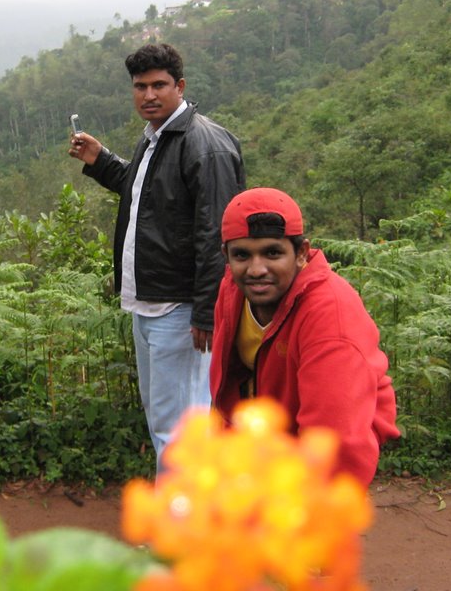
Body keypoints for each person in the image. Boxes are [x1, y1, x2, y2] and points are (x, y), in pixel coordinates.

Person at [68, 43, 245, 469]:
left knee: (180, 428)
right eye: (140, 86)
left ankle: (182, 529)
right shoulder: (156, 139)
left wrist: (206, 311)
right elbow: (148, 191)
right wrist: (101, 161)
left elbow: (216, 234)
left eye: (159, 85)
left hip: (180, 309)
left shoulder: (205, 145)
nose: (148, 94)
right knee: (167, 420)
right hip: (148, 304)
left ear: (179, 86)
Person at [209, 187, 400, 486]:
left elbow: (334, 441)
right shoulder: (232, 291)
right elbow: (230, 382)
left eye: (273, 252)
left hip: (332, 442)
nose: (256, 269)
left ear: (300, 253)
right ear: (227, 257)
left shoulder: (329, 317)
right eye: (242, 255)